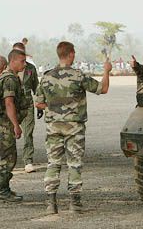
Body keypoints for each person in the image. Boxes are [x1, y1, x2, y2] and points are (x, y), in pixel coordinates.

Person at [34, 41, 112, 214]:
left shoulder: (46, 77)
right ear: (70, 54)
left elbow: (38, 103)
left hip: (53, 126)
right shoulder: (78, 76)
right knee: (74, 163)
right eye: (74, 53)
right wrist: (106, 71)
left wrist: (53, 110)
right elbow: (103, 89)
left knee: (53, 163)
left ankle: (51, 203)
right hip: (74, 127)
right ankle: (74, 203)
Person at [0, 50, 27, 202]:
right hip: (5, 125)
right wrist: (16, 125)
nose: (24, 64)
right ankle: (2, 190)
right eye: (22, 61)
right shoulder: (10, 79)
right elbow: (9, 103)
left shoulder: (9, 77)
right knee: (8, 159)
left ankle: (4, 188)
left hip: (3, 123)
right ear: (13, 61)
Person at [12, 42, 39, 173]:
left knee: (28, 133)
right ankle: (7, 161)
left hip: (27, 104)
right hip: (11, 105)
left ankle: (28, 161)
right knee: (8, 133)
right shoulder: (5, 69)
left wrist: (40, 105)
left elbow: (36, 88)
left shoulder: (30, 69)